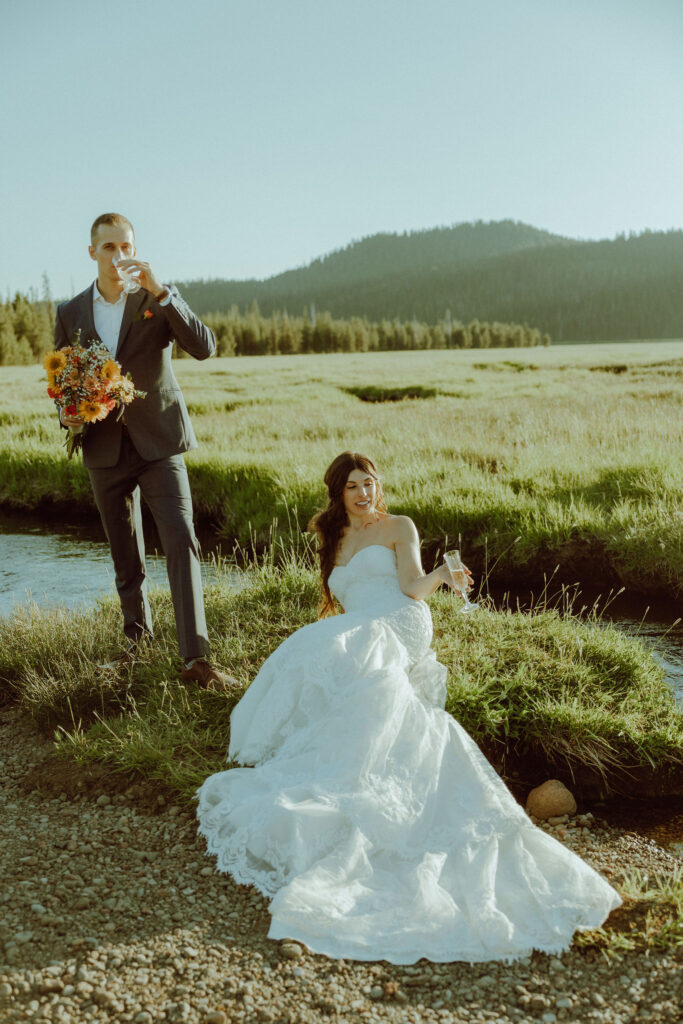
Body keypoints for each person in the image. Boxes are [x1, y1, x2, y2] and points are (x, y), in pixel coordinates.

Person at [196, 451, 621, 963]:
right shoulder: (333, 538)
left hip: (399, 620)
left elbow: (410, 589)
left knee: (342, 647)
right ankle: (312, 744)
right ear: (338, 492)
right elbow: (340, 602)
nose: (363, 493)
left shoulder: (398, 526)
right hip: (357, 626)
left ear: (379, 486)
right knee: (307, 648)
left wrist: (442, 573)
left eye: (369, 483)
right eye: (353, 486)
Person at [54, 212, 235, 691]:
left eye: (126, 246)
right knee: (124, 554)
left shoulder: (155, 300)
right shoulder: (70, 312)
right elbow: (64, 386)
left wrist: (163, 292)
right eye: (109, 247)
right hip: (103, 449)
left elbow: (204, 347)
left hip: (160, 443)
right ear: (92, 252)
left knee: (181, 540)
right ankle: (137, 648)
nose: (120, 256)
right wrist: (68, 417)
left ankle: (196, 660)